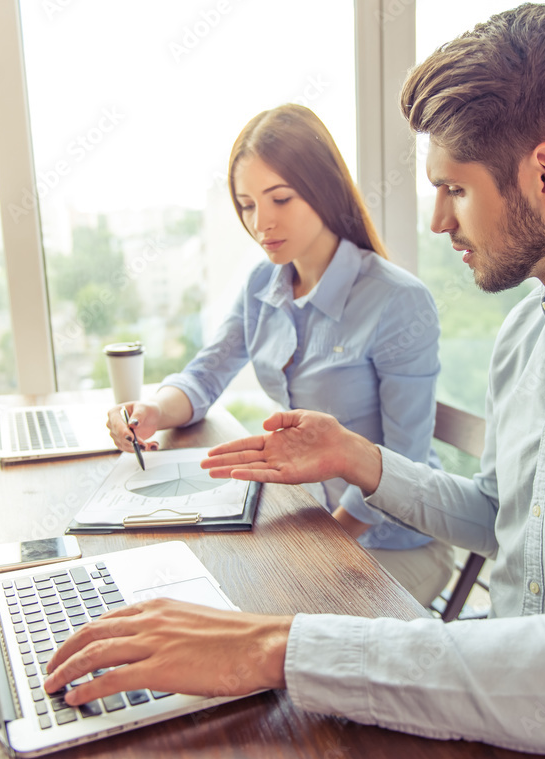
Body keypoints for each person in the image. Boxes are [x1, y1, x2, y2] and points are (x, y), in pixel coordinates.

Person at [47, 5, 545, 759]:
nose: (436, 222)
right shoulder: (530, 331)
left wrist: (276, 645)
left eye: (454, 188)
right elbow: (504, 515)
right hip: (510, 719)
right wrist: (359, 457)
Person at [105, 103, 454, 606]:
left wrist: (316, 547)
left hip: (394, 541)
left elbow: (405, 460)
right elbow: (207, 372)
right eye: (247, 205)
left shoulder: (396, 300)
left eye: (280, 199)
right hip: (313, 520)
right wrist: (154, 412)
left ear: (322, 189)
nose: (261, 222)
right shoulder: (262, 285)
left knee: (270, 627)